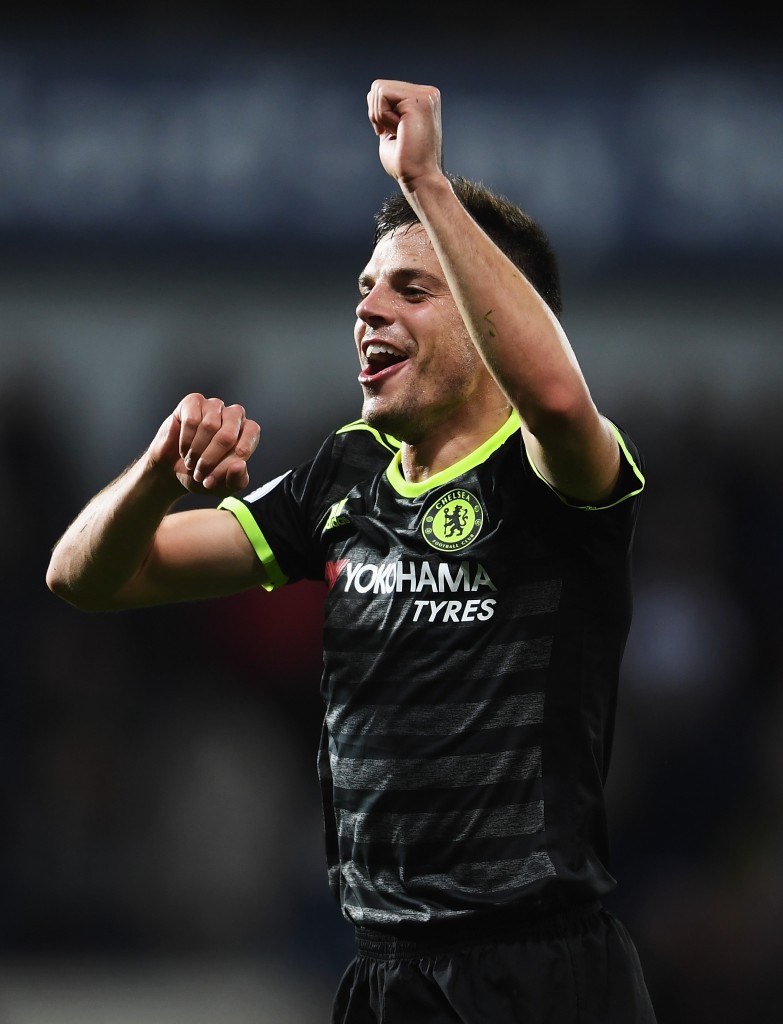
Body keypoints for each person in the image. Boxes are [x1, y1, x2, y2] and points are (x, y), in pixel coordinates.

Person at [46, 79, 655, 1023]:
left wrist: (425, 183)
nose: (369, 310)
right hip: (383, 970)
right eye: (365, 290)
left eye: (411, 289)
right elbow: (87, 576)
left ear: (492, 317)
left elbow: (556, 398)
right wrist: (156, 474)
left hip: (537, 969)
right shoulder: (344, 474)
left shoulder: (553, 477)